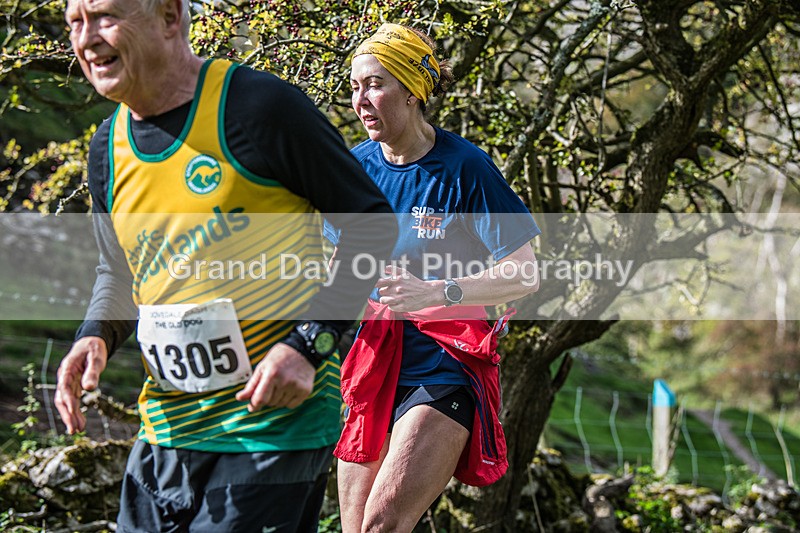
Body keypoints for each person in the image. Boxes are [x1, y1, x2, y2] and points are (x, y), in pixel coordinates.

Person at [54, 1, 396, 532]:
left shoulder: (259, 108)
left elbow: (371, 225)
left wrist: (311, 344)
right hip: (168, 429)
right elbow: (119, 272)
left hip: (273, 427)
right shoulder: (107, 148)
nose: (87, 38)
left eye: (103, 16)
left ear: (169, 17)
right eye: (75, 23)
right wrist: (94, 335)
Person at [328, 23, 542, 533]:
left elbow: (525, 271)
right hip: (372, 365)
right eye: (355, 86)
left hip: (443, 366)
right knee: (355, 529)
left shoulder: (466, 168)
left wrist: (438, 291)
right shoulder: (350, 171)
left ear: (411, 91)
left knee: (383, 524)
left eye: (376, 84)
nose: (362, 99)